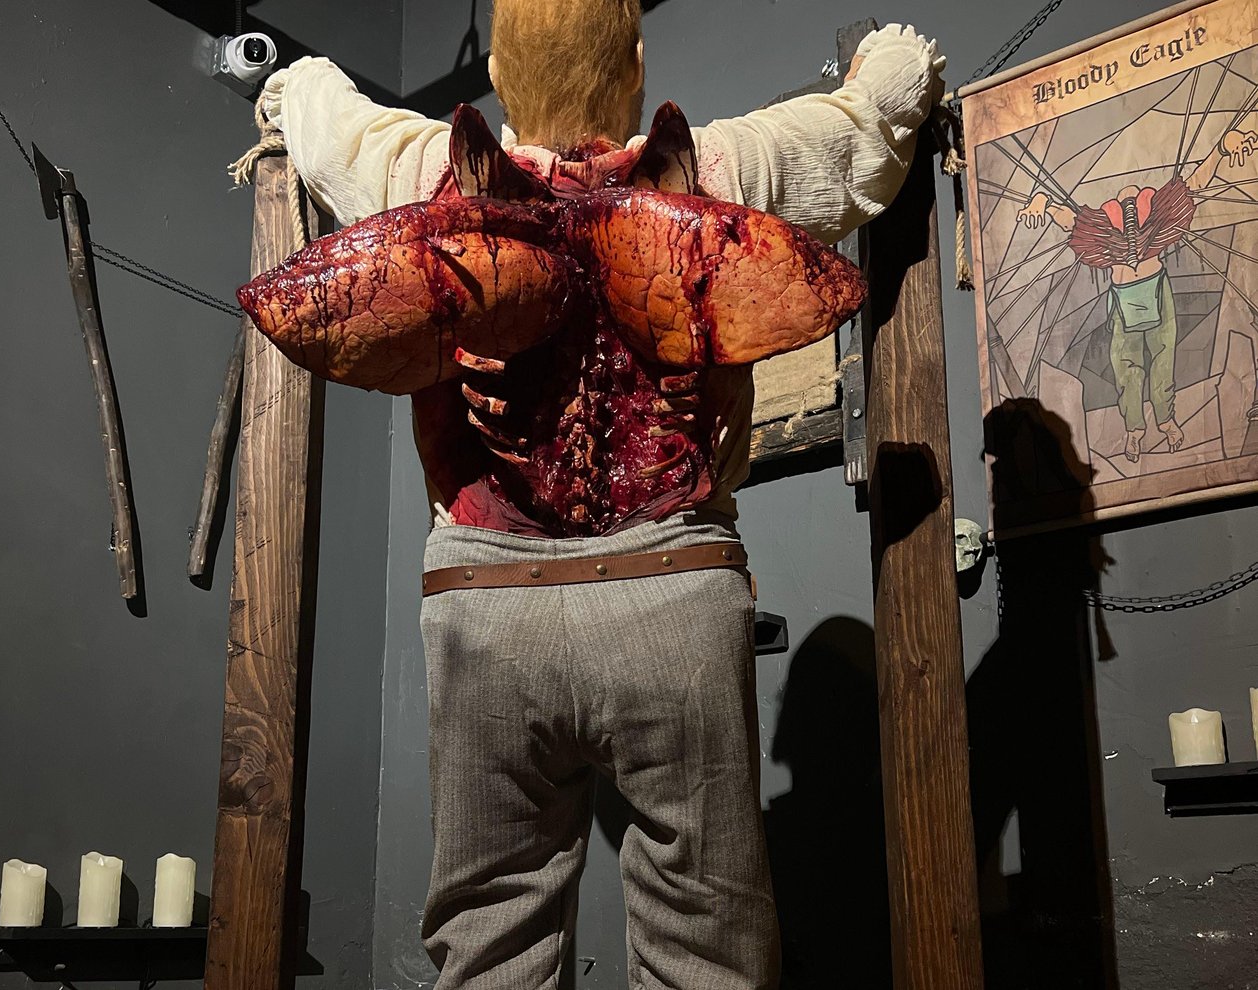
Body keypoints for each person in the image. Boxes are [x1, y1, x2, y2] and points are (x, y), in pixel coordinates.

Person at [257, 5, 945, 987]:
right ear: (636, 60)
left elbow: (326, 120)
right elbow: (870, 124)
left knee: (487, 940)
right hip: (675, 595)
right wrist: (893, 56)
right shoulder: (729, 171)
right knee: (707, 946)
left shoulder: (418, 171)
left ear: (498, 70)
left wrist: (289, 85)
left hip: (487, 611)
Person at [1016, 125, 1258, 461]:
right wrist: (1043, 202)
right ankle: (1134, 430)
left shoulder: (1156, 209)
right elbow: (1070, 220)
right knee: (1127, 367)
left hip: (1155, 290)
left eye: (1134, 195)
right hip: (1124, 298)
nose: (1129, 198)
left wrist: (1222, 147)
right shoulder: (1104, 223)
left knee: (1161, 361)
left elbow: (1195, 184)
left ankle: (1165, 420)